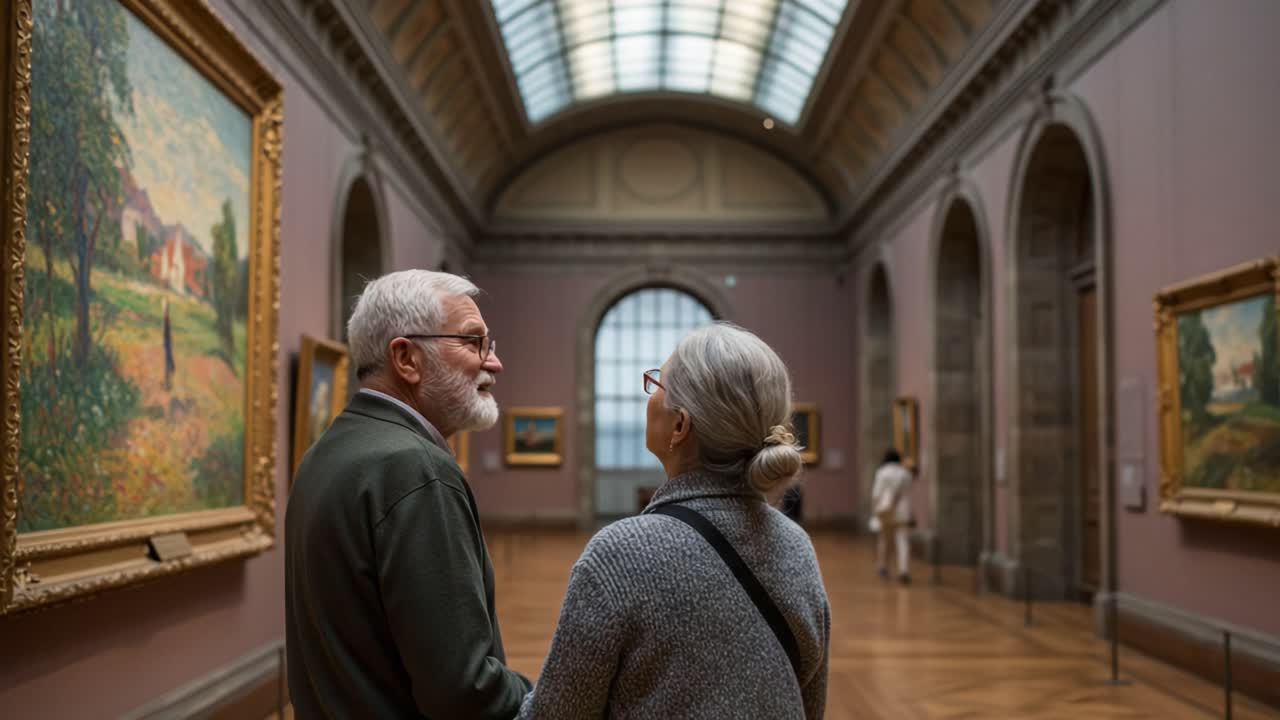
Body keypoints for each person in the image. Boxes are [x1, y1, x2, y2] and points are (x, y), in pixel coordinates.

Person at [517, 323, 830, 719]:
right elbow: (810, 708)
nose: (648, 395)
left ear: (680, 426)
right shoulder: (795, 544)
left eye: (656, 384)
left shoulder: (622, 555)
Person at [285, 269, 531, 718]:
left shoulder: (326, 451)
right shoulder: (415, 468)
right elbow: (464, 690)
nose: (493, 363)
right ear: (407, 359)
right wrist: (548, 695)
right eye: (474, 342)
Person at [870, 448, 914, 584]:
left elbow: (876, 494)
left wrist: (875, 508)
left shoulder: (882, 473)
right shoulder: (906, 473)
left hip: (886, 510)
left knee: (884, 539)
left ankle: (883, 566)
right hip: (902, 510)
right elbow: (908, 492)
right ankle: (903, 570)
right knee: (903, 541)